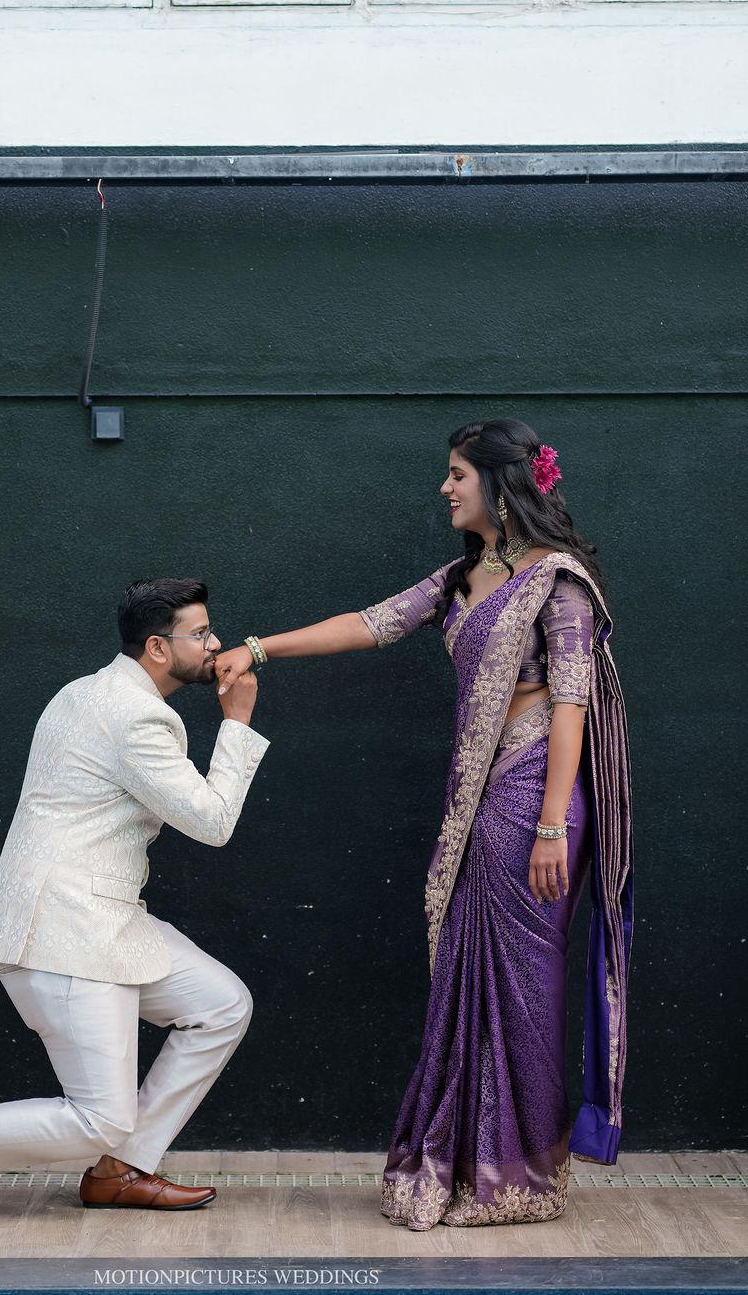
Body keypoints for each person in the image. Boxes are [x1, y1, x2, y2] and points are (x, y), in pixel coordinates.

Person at [213, 418, 633, 1230]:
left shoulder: (561, 581)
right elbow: (372, 623)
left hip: (532, 801)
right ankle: (468, 1160)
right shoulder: (461, 578)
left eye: (456, 475)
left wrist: (552, 826)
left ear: (501, 487)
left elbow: (572, 701)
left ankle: (517, 1174)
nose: (445, 488)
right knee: (472, 977)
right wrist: (259, 649)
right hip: (478, 806)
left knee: (524, 983)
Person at [0, 578, 268, 1219]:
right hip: (64, 927)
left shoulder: (84, 690)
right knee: (101, 1117)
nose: (214, 644)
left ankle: (122, 1171)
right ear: (158, 648)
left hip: (100, 917)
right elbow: (211, 824)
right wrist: (237, 724)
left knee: (219, 1006)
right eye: (201, 634)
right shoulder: (139, 717)